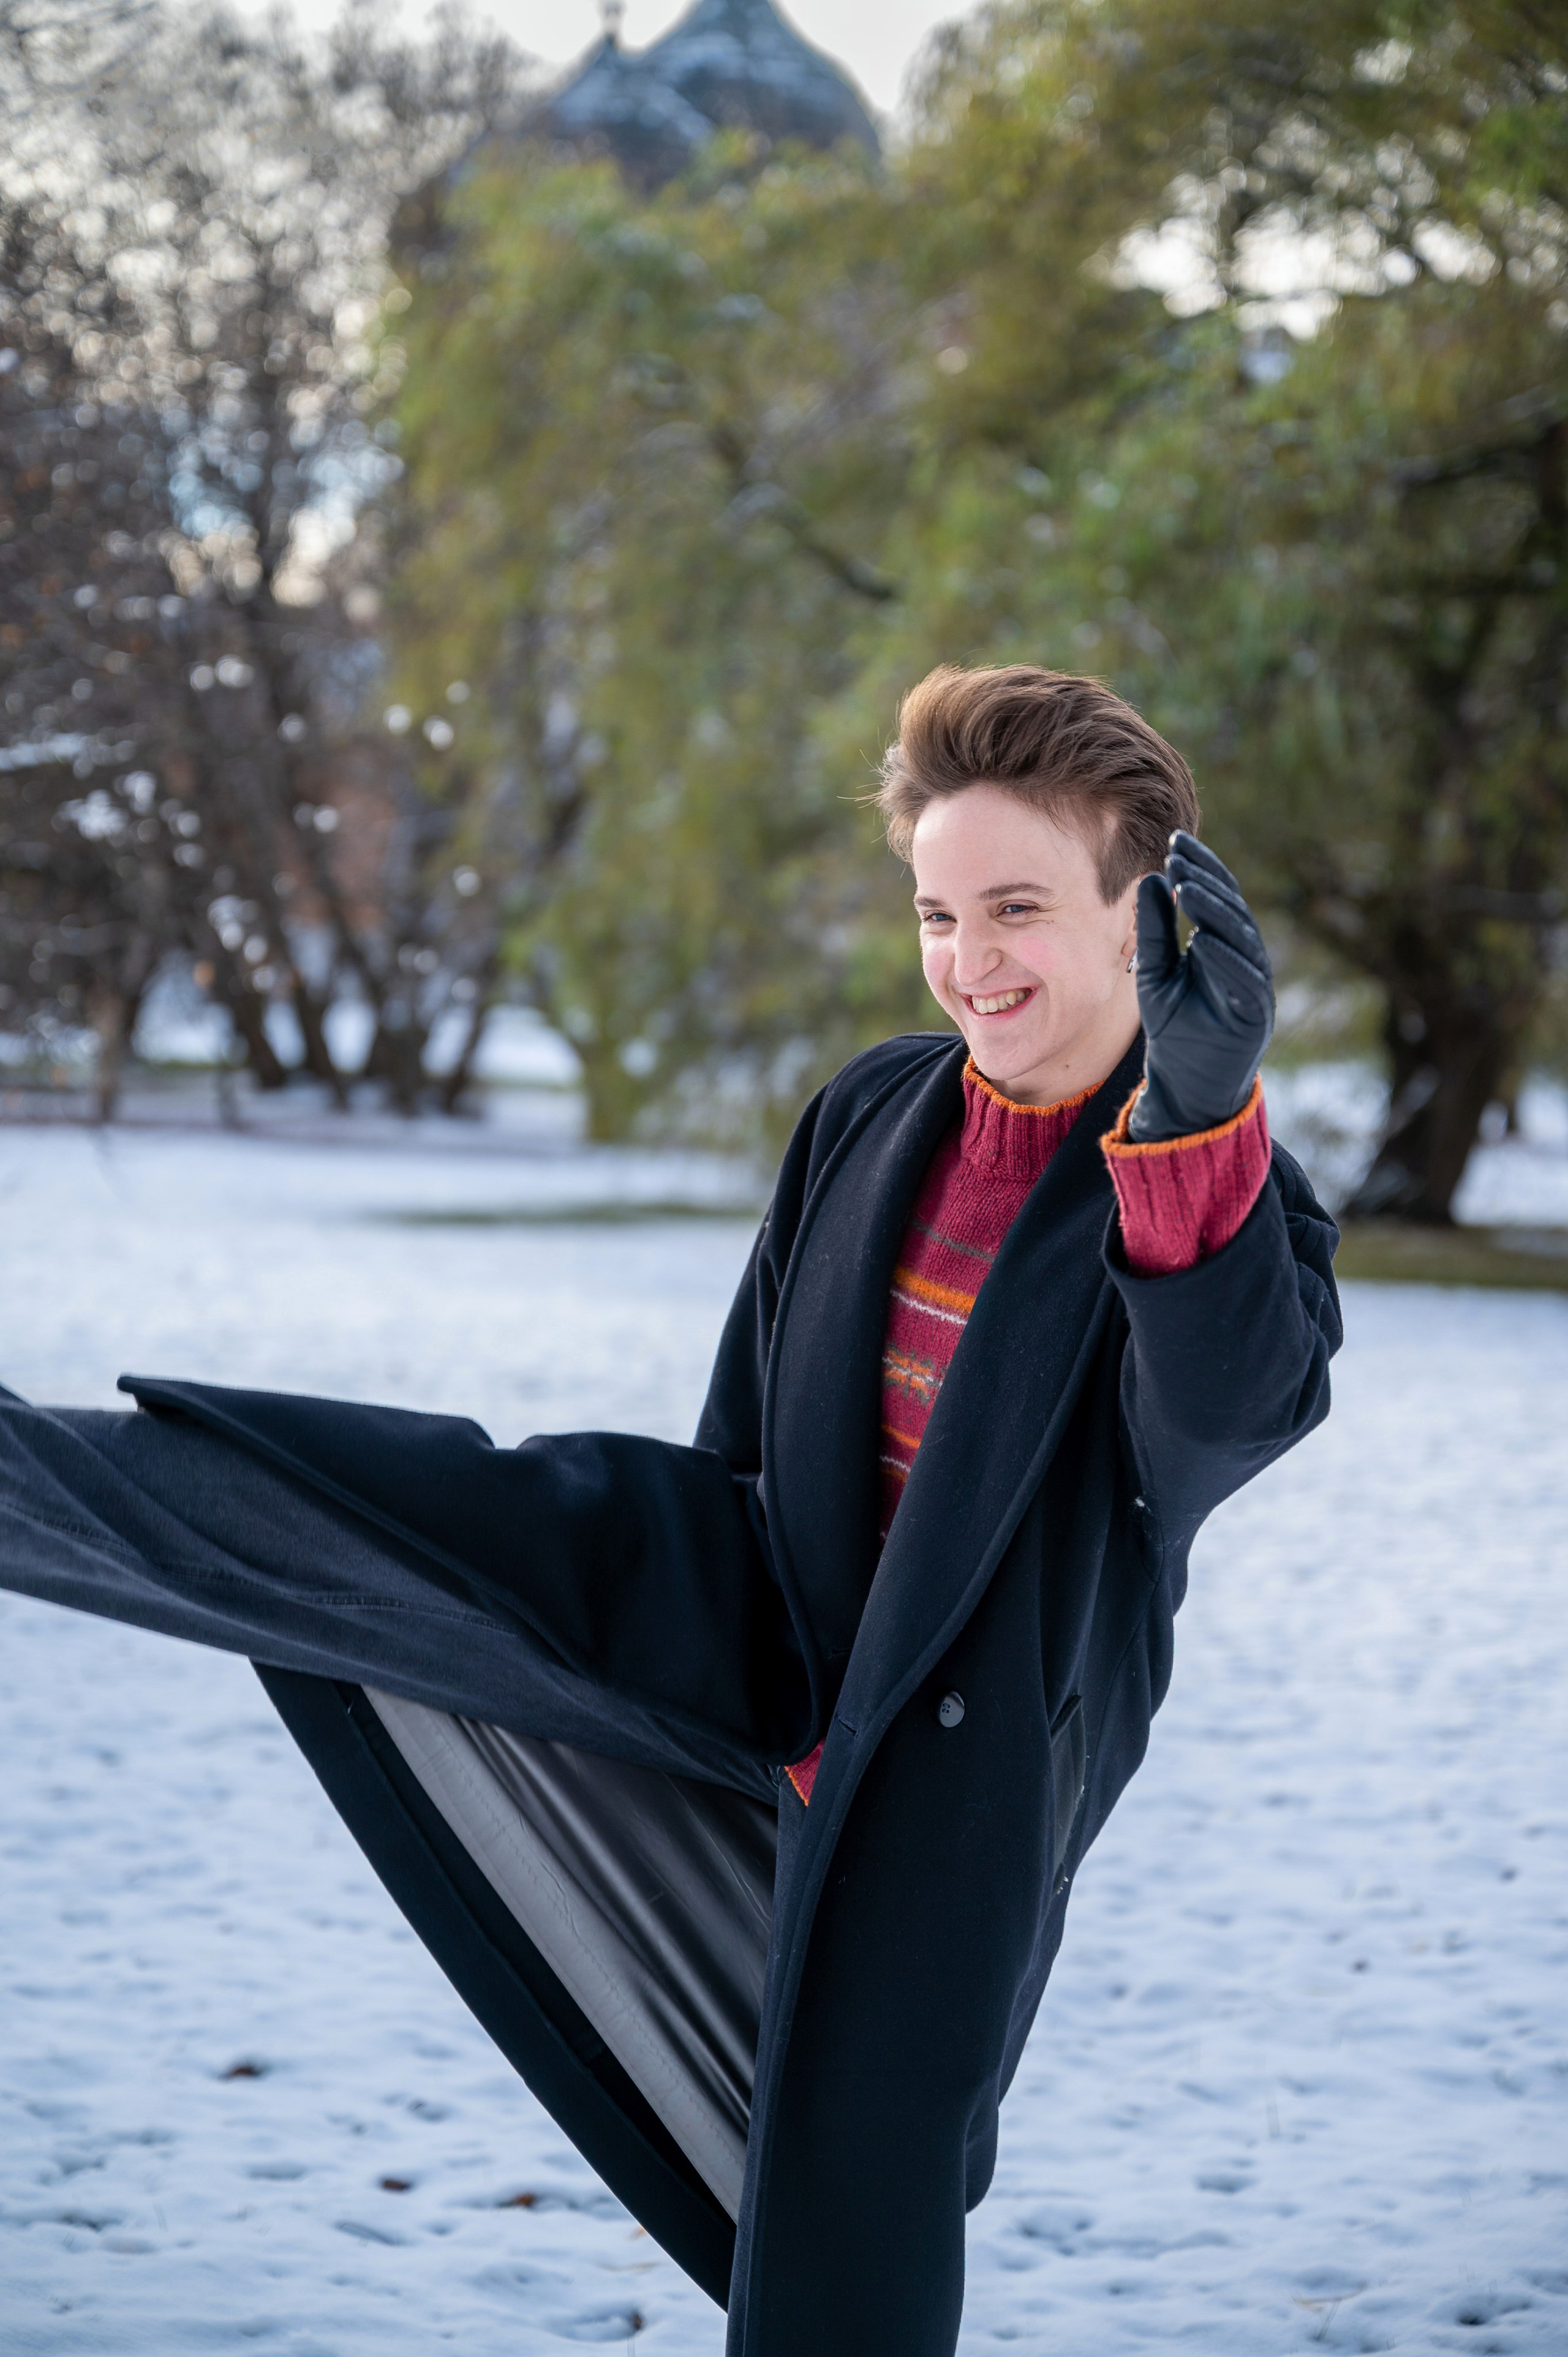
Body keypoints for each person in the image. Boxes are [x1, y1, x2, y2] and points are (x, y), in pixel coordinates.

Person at [0, 663, 1340, 2355]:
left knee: (850, 2217)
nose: (969, 962)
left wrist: (1198, 1121)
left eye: (1016, 909)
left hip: (969, 1787)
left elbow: (1221, 1426)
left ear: (1143, 914)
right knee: (356, 1510)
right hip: (761, 1653)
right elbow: (747, 1446)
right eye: (937, 914)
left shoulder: (1217, 1180)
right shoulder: (872, 1111)